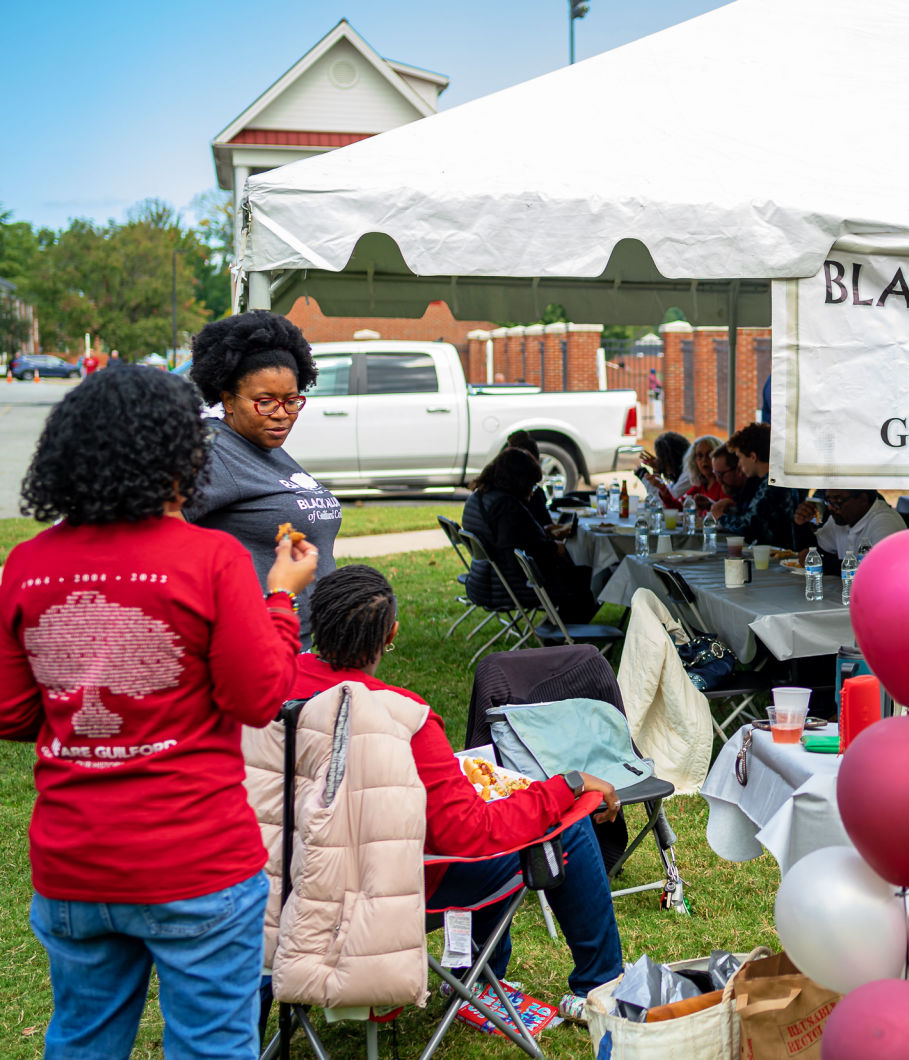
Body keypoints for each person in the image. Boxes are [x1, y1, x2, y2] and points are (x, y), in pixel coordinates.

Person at [0, 366, 320, 1058]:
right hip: (195, 861)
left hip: (75, 863)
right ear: (182, 453)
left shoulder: (27, 564)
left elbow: (12, 712)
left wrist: (88, 699)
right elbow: (259, 696)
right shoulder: (212, 558)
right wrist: (282, 599)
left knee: (81, 1044)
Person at [286, 565, 625, 1023]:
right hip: (384, 893)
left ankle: (483, 976)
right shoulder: (403, 718)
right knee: (565, 828)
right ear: (392, 634)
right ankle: (601, 986)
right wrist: (568, 786)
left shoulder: (270, 687)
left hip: (289, 886)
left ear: (316, 622)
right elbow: (468, 834)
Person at [183, 311, 340, 634]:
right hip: (261, 637)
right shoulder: (212, 451)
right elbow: (155, 529)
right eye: (265, 401)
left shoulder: (266, 447)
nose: (281, 415)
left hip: (309, 637)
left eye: (291, 401)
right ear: (228, 400)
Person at [463, 447, 599, 622]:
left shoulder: (479, 497)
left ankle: (556, 631)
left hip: (484, 580)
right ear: (519, 481)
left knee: (581, 577)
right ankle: (559, 638)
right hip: (509, 586)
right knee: (590, 579)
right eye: (531, 484)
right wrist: (555, 548)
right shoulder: (507, 506)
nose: (533, 491)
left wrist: (544, 532)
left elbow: (513, 539)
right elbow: (524, 552)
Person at [710, 423, 802, 549]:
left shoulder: (773, 484)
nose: (739, 465)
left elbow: (749, 527)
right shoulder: (773, 480)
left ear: (753, 457)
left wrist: (720, 516)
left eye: (740, 458)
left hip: (777, 558)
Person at [792, 489, 907, 564]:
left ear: (862, 499)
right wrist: (801, 524)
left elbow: (877, 569)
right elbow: (816, 549)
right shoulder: (842, 518)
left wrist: (822, 563)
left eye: (838, 500)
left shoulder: (885, 522)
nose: (831, 508)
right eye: (829, 501)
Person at [635, 430, 690, 507]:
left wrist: (644, 477)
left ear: (673, 458)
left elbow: (666, 501)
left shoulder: (688, 476)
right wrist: (657, 471)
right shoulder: (679, 474)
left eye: (662, 458)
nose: (660, 462)